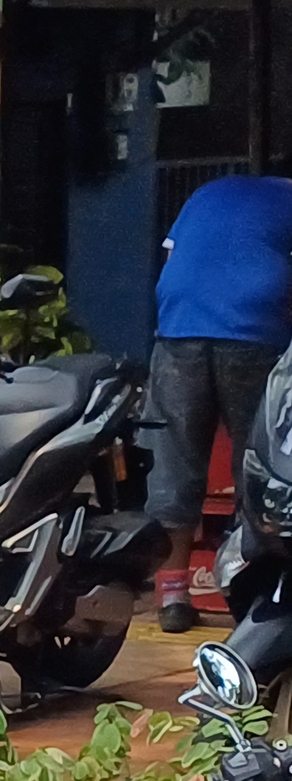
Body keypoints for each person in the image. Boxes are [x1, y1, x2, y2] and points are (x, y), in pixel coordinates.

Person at [148, 172, 292, 631]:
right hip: (253, 326)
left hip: (178, 322)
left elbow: (170, 255)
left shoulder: (205, 193)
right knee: (259, 464)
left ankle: (172, 593)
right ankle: (250, 593)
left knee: (174, 458)